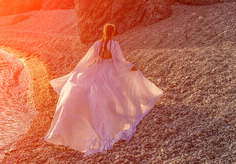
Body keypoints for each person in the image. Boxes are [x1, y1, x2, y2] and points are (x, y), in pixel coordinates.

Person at [44, 23, 163, 156]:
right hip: (109, 71)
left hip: (97, 69)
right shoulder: (114, 44)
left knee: (94, 93)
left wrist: (78, 71)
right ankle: (116, 114)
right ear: (112, 32)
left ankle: (91, 118)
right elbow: (119, 61)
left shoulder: (97, 44)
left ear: (104, 31)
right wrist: (130, 66)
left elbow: (88, 59)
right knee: (115, 90)